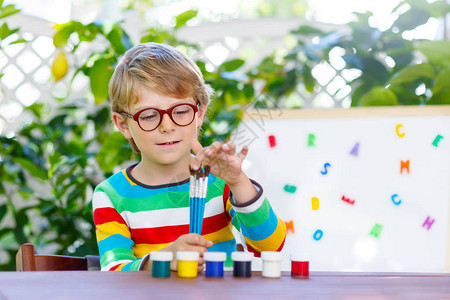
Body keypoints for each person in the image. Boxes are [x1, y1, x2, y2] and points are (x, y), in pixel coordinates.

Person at [92, 42, 286, 272]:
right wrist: (164, 259)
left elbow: (270, 246)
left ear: (199, 113)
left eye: (181, 111)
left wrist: (238, 181)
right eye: (149, 115)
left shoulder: (219, 180)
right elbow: (114, 272)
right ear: (123, 124)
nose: (167, 126)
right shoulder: (111, 195)